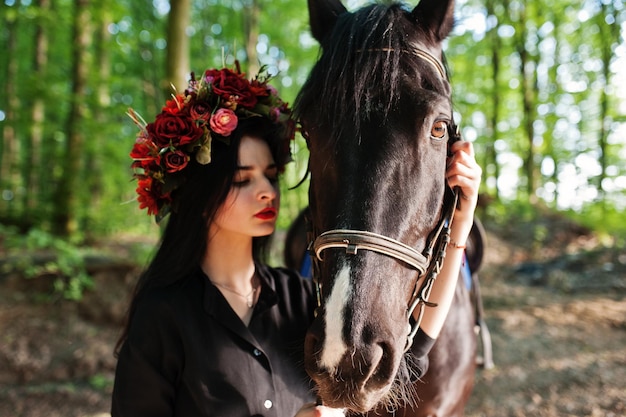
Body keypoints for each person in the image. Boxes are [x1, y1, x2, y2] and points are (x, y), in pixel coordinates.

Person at [111, 62, 481, 417]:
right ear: (199, 198)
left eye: (270, 176)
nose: (267, 192)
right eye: (243, 180)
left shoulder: (298, 297)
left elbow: (411, 357)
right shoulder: (163, 314)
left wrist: (459, 224)